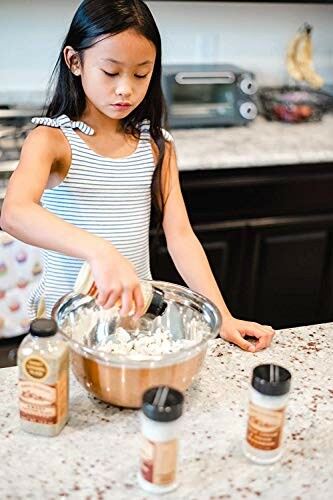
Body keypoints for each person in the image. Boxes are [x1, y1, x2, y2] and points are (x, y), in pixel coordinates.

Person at [1, 0, 275, 352]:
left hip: (130, 319)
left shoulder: (157, 145)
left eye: (141, 73)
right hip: (62, 323)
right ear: (75, 62)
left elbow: (180, 237)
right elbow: (14, 213)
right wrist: (101, 251)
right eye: (111, 73)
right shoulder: (52, 140)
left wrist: (222, 316)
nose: (125, 89)